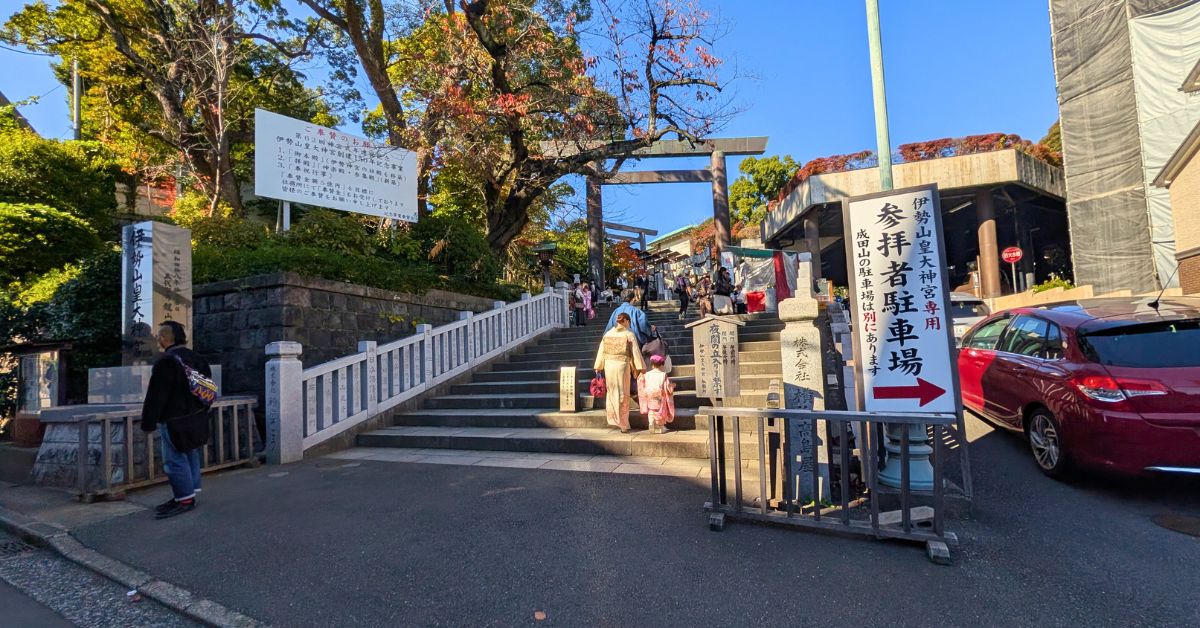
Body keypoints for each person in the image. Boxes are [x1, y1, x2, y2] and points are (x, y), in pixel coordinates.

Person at [141, 321, 212, 520]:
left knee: (174, 460)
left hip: (174, 419)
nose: (158, 339)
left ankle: (185, 499)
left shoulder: (167, 361)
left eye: (159, 336)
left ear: (165, 338)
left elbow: (157, 395)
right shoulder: (197, 358)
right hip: (197, 417)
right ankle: (189, 492)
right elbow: (207, 389)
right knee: (190, 453)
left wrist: (148, 422)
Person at [594, 312, 646, 433]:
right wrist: (640, 367)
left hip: (608, 365)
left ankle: (614, 418)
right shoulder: (628, 334)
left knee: (612, 391)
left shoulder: (607, 334)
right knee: (623, 393)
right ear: (627, 321)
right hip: (622, 366)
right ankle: (623, 423)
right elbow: (635, 352)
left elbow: (601, 350)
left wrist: (598, 366)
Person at [638, 354, 676, 434]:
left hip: (649, 395)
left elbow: (641, 381)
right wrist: (672, 387)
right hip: (659, 396)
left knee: (651, 410)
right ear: (661, 365)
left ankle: (651, 423)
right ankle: (660, 426)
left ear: (652, 365)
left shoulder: (646, 374)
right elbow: (667, 387)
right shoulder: (663, 375)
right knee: (660, 410)